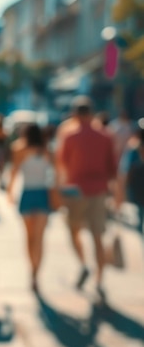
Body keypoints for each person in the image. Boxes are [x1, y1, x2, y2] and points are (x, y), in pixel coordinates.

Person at [57, 96, 117, 299]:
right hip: (99, 190)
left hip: (76, 191)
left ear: (75, 114)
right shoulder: (106, 135)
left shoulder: (69, 135)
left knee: (73, 231)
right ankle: (99, 279)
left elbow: (62, 164)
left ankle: (84, 264)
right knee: (97, 237)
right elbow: (113, 168)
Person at [7, 123, 55, 292]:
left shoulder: (19, 150)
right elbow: (55, 174)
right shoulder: (47, 151)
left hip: (27, 194)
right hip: (42, 194)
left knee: (29, 237)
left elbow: (13, 172)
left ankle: (32, 271)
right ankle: (36, 272)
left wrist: (9, 193)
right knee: (40, 238)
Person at [115, 119, 144, 234]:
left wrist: (120, 194)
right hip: (137, 190)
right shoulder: (133, 150)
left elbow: (124, 172)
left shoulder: (133, 150)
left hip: (137, 191)